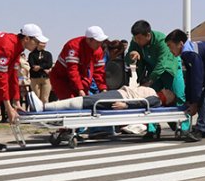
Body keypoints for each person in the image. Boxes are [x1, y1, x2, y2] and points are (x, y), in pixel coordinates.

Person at [127, 21, 187, 140]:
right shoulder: (135, 41)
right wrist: (131, 55)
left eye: (139, 38)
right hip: (152, 72)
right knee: (151, 100)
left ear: (148, 35)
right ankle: (152, 129)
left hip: (170, 69)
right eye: (135, 38)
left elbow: (162, 64)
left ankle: (184, 128)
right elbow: (128, 60)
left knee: (179, 97)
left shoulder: (161, 41)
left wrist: (149, 82)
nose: (137, 41)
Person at [49, 26, 109, 100]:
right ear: (88, 40)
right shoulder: (73, 46)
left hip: (80, 79)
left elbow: (99, 72)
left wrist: (103, 89)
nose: (99, 44)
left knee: (84, 102)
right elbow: (72, 70)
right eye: (97, 42)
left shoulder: (98, 51)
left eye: (101, 42)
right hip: (62, 78)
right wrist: (80, 89)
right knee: (71, 102)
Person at [36, 85, 176, 111]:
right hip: (120, 94)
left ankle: (45, 107)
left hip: (122, 97)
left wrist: (126, 105)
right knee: (88, 101)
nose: (167, 89)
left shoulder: (156, 100)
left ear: (168, 98)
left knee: (88, 101)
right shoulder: (154, 93)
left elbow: (142, 103)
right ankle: (45, 106)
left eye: (170, 92)